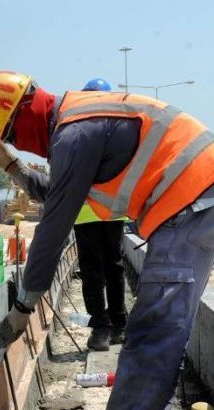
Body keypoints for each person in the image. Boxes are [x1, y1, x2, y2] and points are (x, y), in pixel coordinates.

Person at [0, 71, 214, 409]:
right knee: (160, 331)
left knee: (152, 334)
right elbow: (57, 194)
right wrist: (12, 165)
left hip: (191, 201)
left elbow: (53, 227)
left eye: (11, 134)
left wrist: (24, 306)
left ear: (25, 110)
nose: (18, 143)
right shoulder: (76, 124)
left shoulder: (75, 133)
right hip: (192, 203)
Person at [73, 78, 128, 351]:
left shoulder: (85, 131)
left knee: (105, 268)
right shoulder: (86, 132)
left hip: (105, 211)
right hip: (94, 212)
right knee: (102, 269)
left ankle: (112, 326)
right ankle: (107, 326)